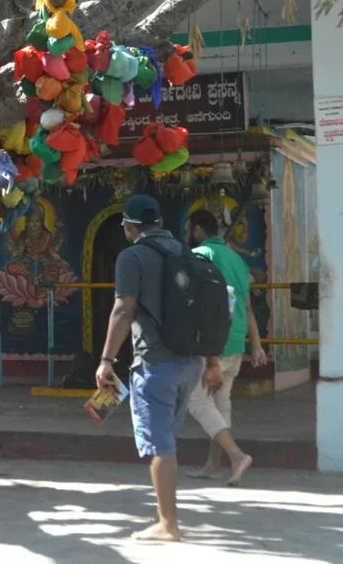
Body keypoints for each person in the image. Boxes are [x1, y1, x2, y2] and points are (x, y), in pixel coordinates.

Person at [95, 195, 221, 543]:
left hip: (155, 364)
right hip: (191, 363)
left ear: (131, 227)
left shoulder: (132, 256)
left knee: (160, 447)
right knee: (168, 442)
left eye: (124, 226)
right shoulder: (186, 253)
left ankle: (168, 526)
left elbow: (123, 309)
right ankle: (163, 515)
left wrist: (106, 361)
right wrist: (212, 362)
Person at [185, 209, 268, 485]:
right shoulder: (236, 259)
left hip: (212, 345)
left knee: (197, 401)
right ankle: (213, 465)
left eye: (189, 229)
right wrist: (257, 346)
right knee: (221, 405)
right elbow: (248, 307)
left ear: (197, 230)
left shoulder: (201, 256)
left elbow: (193, 300)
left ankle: (236, 456)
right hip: (236, 344)